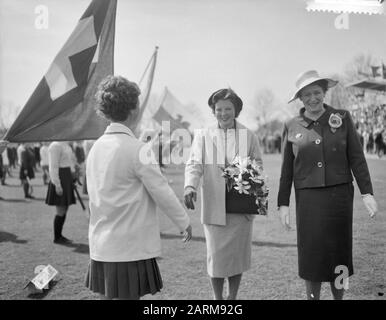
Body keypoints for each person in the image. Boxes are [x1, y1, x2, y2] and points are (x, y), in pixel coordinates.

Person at [85, 75, 192, 300]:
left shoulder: (95, 148)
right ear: (134, 110)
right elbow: (161, 190)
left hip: (102, 242)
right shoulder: (137, 149)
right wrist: (184, 221)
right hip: (129, 245)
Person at [278, 70, 379, 300]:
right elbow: (286, 169)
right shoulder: (291, 125)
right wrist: (283, 203)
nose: (312, 99)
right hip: (308, 201)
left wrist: (367, 193)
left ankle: (339, 298)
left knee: (339, 254)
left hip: (339, 198)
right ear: (300, 99)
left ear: (324, 93)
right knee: (311, 255)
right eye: (306, 95)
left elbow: (356, 157)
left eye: (317, 93)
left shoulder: (342, 117)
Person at [184, 88, 263, 300]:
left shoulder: (249, 135)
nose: (223, 113)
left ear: (236, 109)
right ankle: (218, 299)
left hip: (241, 206)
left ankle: (232, 297)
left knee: (237, 257)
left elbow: (258, 164)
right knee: (216, 258)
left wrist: (243, 173)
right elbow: (194, 163)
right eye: (219, 109)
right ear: (213, 110)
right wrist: (190, 186)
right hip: (214, 206)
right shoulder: (203, 135)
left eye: (228, 109)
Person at [45, 140, 76, 244]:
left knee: (65, 207)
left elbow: (70, 162)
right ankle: (57, 237)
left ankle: (60, 235)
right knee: (61, 209)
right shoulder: (55, 145)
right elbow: (53, 166)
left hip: (66, 177)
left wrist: (73, 174)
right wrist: (57, 184)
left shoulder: (66, 144)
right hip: (60, 178)